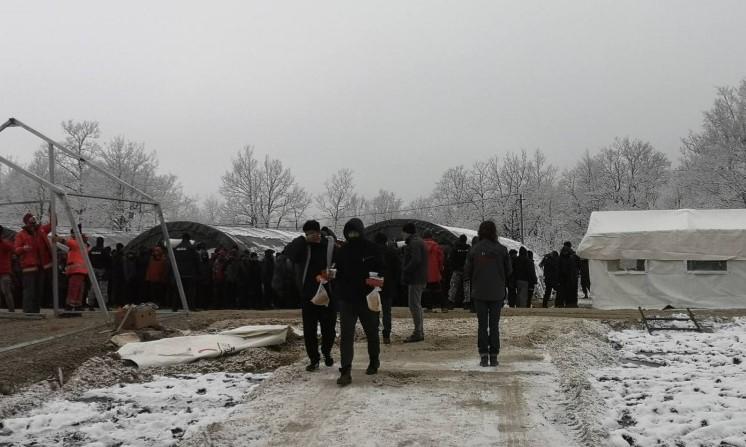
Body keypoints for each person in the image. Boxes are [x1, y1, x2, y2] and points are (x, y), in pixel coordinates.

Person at [333, 218, 384, 386]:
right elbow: (337, 274)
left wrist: (374, 284)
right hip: (347, 300)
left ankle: (374, 361)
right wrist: (332, 278)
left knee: (372, 332)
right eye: (349, 233)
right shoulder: (342, 251)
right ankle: (346, 370)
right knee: (346, 335)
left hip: (367, 298)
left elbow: (383, 273)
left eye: (355, 232)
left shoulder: (372, 249)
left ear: (361, 232)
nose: (352, 235)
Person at [285, 220, 337, 371]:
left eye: (315, 232)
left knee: (329, 328)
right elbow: (288, 253)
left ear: (319, 232)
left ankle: (326, 352)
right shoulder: (302, 246)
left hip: (327, 293)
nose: (313, 236)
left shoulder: (328, 245)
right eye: (309, 234)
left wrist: (333, 273)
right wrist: (303, 240)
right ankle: (314, 359)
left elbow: (339, 261)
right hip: (308, 295)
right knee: (309, 330)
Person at [464, 220, 511, 367]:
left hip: (479, 292)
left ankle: (484, 356)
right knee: (494, 325)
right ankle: (494, 356)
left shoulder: (474, 250)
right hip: (497, 292)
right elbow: (509, 271)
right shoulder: (502, 250)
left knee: (482, 325)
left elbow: (467, 272)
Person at [15, 213, 53, 314]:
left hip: (41, 266)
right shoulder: (21, 234)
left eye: (34, 218)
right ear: (27, 221)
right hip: (29, 267)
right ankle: (28, 311)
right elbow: (16, 250)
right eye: (31, 218)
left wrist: (52, 212)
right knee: (29, 290)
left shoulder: (41, 230)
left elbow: (53, 224)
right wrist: (23, 248)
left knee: (38, 291)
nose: (34, 220)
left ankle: (35, 311)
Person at [401, 222, 428, 343]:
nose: (402, 235)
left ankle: (418, 332)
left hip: (416, 279)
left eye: (403, 232)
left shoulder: (415, 242)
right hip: (420, 278)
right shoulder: (418, 241)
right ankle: (419, 331)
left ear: (407, 232)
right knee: (417, 305)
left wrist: (406, 270)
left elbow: (416, 260)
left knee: (414, 305)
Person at [374, 232, 401, 344]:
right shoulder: (392, 251)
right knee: (387, 310)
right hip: (388, 284)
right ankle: (386, 335)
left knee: (374, 309)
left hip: (374, 283)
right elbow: (397, 269)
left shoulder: (372, 252)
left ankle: (374, 332)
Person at [53, 230, 88, 310]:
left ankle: (69, 307)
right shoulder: (83, 244)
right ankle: (77, 307)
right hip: (80, 271)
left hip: (76, 270)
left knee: (73, 289)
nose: (71, 235)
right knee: (78, 289)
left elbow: (67, 242)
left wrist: (57, 238)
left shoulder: (77, 243)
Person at [173, 233, 200, 311]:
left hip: (178, 273)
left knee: (177, 291)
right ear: (189, 238)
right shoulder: (191, 248)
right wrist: (199, 272)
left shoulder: (176, 248)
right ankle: (191, 307)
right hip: (190, 273)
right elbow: (197, 261)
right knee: (190, 292)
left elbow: (171, 260)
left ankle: (175, 307)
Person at [422, 230, 447, 313]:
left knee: (426, 290)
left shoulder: (420, 245)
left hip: (424, 272)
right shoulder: (436, 246)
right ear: (431, 237)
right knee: (438, 289)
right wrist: (440, 268)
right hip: (434, 271)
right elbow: (440, 258)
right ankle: (443, 306)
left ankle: (429, 307)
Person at [87, 237, 111, 310]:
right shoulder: (104, 251)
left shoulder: (92, 251)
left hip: (93, 270)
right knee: (103, 288)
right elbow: (109, 261)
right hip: (102, 270)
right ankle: (104, 305)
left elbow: (88, 259)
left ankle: (90, 305)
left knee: (93, 288)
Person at [447, 234, 470, 309]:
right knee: (466, 287)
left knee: (453, 286)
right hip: (466, 270)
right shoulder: (468, 248)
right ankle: (466, 302)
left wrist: (452, 268)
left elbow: (451, 259)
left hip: (456, 270)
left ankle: (451, 302)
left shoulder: (455, 248)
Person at [557, 241, 580, 308]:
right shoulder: (574, 255)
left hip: (562, 277)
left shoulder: (560, 255)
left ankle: (560, 304)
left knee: (562, 291)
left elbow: (558, 267)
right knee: (572, 291)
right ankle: (571, 304)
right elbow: (579, 265)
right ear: (570, 246)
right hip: (572, 277)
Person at [0, 226, 16, 312]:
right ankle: (11, 310)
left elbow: (14, 249)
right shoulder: (5, 243)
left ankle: (11, 310)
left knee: (6, 292)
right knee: (6, 292)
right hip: (5, 271)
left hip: (4, 272)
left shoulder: (5, 244)